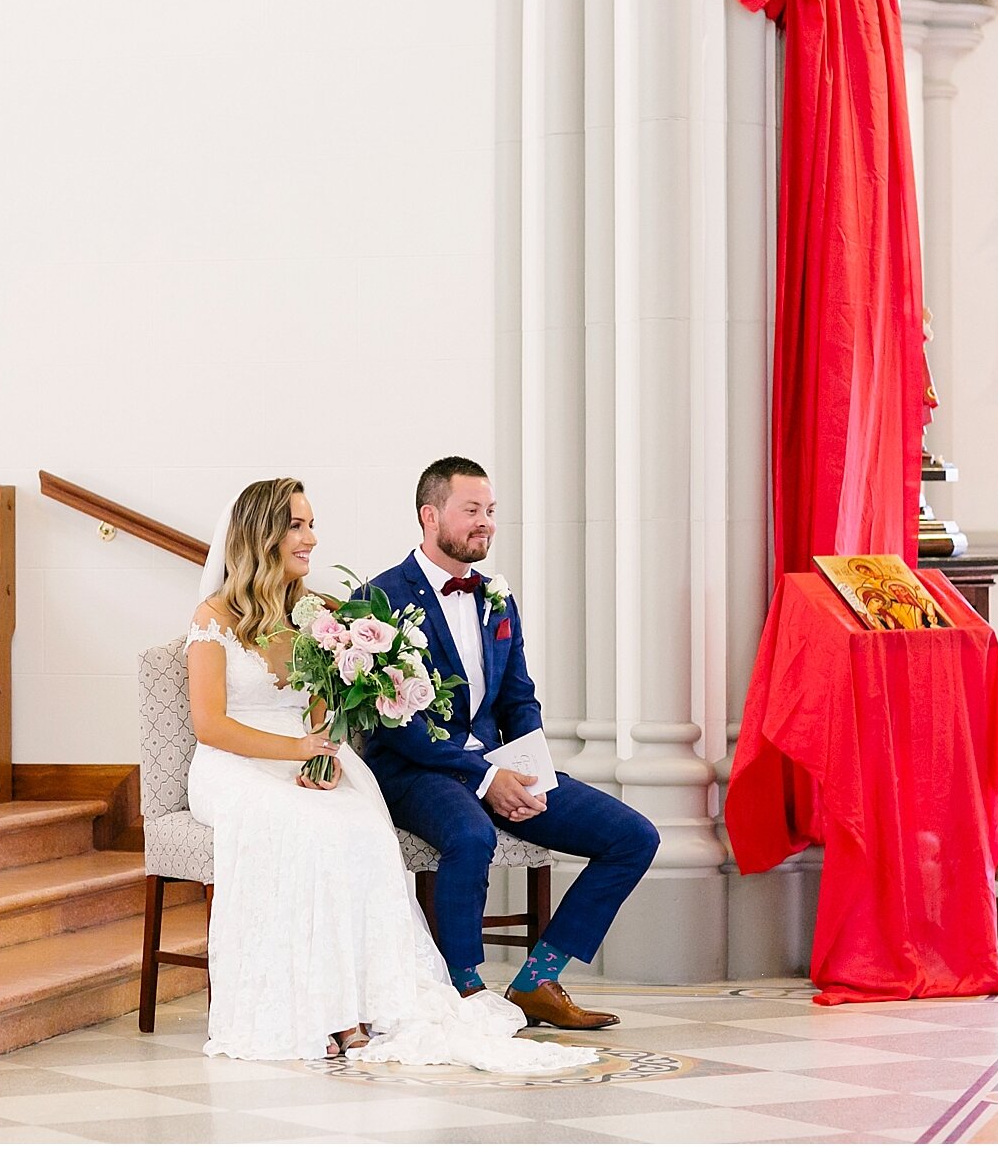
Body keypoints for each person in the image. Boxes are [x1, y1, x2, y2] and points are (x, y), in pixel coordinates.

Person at [184, 477, 596, 1072]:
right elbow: (209, 725)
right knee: (308, 831)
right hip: (235, 765)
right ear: (262, 534)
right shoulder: (213, 617)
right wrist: (298, 749)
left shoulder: (316, 612)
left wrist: (322, 756)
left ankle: (361, 1001)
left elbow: (323, 706)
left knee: (359, 826)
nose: (311, 538)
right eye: (298, 525)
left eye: (310, 523)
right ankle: (315, 1007)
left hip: (306, 758)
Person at [362, 457, 659, 1031]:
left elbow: (519, 697)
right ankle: (465, 993)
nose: (486, 524)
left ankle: (537, 981)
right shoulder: (378, 601)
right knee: (471, 835)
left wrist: (527, 768)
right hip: (414, 770)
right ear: (430, 516)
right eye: (471, 510)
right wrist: (482, 778)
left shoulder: (496, 596)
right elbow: (399, 727)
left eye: (491, 511)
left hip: (494, 763)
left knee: (633, 836)